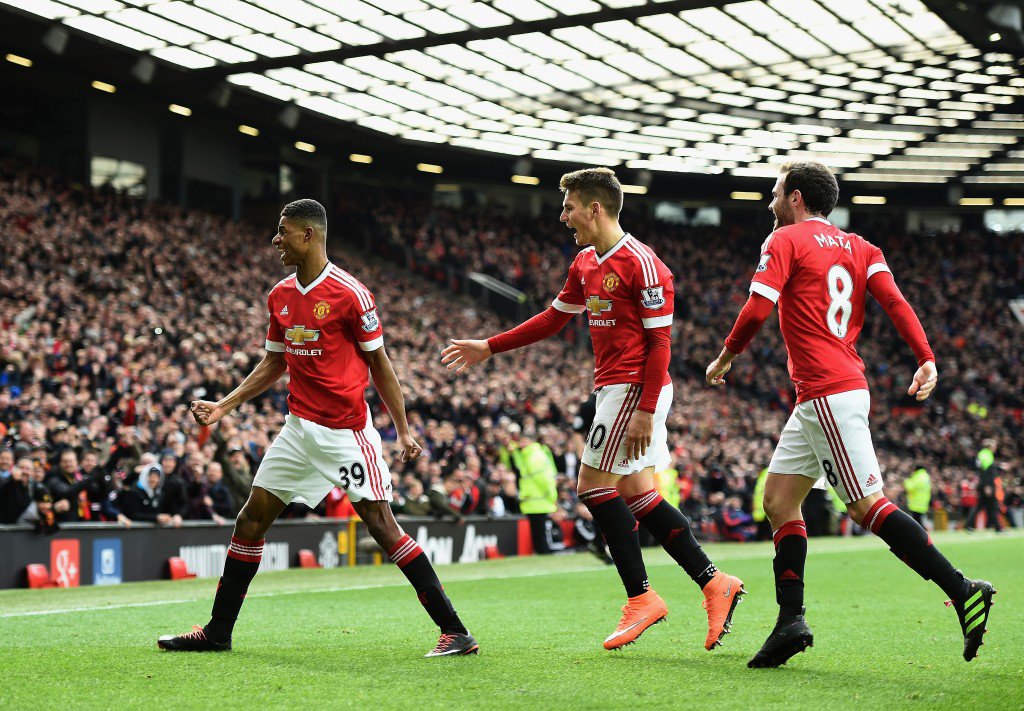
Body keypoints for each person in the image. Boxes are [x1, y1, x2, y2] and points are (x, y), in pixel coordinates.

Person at [704, 161, 996, 667]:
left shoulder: (785, 240)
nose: (770, 203)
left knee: (866, 507)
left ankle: (962, 588)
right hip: (830, 392)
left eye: (775, 194)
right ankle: (790, 620)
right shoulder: (863, 247)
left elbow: (755, 310)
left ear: (795, 198)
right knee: (778, 500)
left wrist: (727, 355)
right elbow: (896, 302)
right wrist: (925, 355)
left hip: (825, 392)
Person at [442, 167, 744, 651]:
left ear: (595, 209)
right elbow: (552, 319)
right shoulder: (585, 262)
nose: (564, 217)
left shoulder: (645, 265)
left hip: (634, 389)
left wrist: (644, 410)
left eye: (569, 208)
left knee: (592, 486)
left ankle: (642, 598)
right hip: (614, 389)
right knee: (639, 494)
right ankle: (713, 583)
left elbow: (660, 343)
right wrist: (490, 347)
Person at [158, 199, 476, 657]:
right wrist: (224, 406)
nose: (275, 239)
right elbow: (274, 362)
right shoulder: (280, 295)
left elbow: (380, 366)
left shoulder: (351, 294)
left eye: (283, 231)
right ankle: (218, 631)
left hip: (346, 434)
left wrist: (402, 430)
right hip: (298, 429)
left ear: (308, 234)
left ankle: (455, 631)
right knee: (250, 519)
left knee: (383, 527)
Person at [966, 439, 1002, 533]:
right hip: (988, 485)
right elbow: (986, 472)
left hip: (983, 484)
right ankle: (998, 528)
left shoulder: (981, 454)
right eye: (994, 446)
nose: (995, 448)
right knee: (992, 506)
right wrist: (987, 486)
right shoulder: (987, 455)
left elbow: (981, 470)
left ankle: (969, 525)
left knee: (982, 506)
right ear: (990, 447)